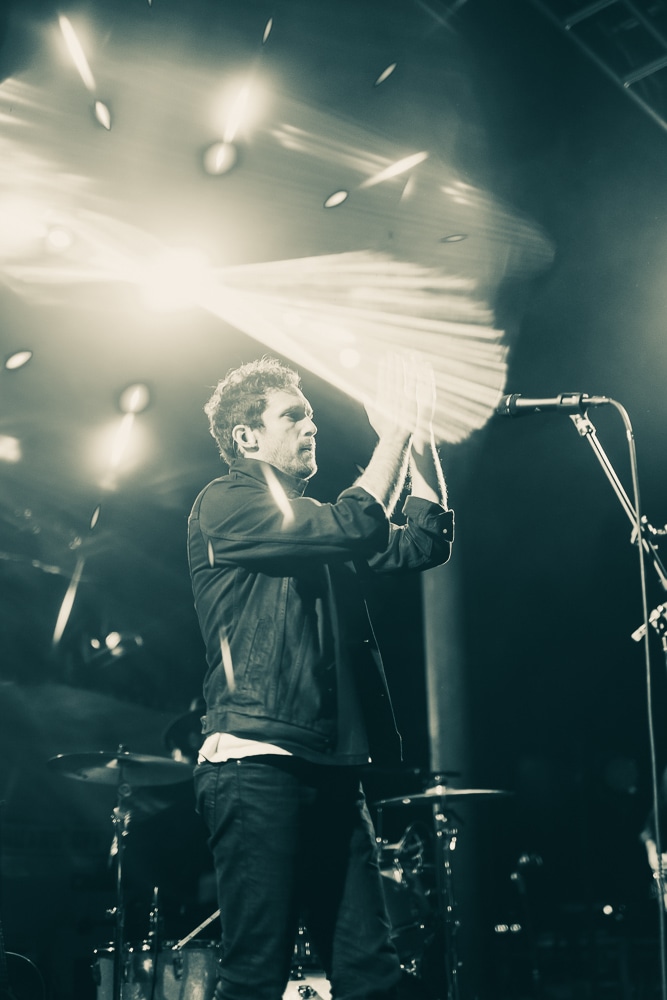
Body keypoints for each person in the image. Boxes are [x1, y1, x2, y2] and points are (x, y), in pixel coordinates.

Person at [187, 354, 454, 1000]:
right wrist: (388, 432)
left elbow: (424, 539)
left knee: (372, 975)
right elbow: (356, 521)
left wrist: (414, 435)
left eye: (310, 416)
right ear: (247, 438)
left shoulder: (312, 527)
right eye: (293, 416)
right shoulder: (227, 503)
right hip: (255, 765)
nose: (311, 426)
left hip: (332, 770)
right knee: (256, 973)